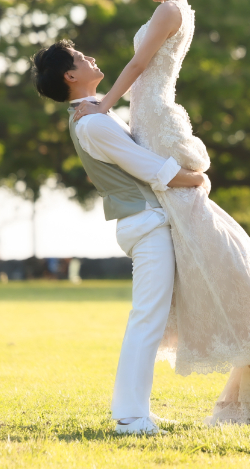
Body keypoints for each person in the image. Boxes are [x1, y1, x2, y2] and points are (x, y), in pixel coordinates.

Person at [73, 0, 250, 427]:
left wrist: (104, 102)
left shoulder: (168, 10)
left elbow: (139, 68)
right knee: (193, 231)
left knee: (196, 224)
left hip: (156, 119)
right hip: (148, 119)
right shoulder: (172, 9)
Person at [32, 40, 208, 436]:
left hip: (143, 220)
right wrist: (198, 178)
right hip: (144, 222)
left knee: (149, 317)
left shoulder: (93, 115)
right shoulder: (92, 121)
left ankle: (135, 410)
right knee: (146, 319)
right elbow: (151, 169)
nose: (91, 58)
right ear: (71, 76)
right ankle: (130, 416)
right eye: (80, 58)